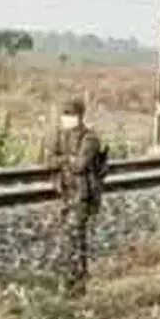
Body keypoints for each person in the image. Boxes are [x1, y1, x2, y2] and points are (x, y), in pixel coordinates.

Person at [44, 97, 107, 296]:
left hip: (83, 194)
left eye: (71, 114)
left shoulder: (90, 138)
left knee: (74, 236)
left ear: (80, 116)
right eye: (65, 114)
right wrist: (67, 159)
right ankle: (77, 279)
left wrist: (63, 160)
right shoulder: (58, 136)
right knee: (71, 237)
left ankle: (75, 281)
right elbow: (48, 162)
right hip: (66, 193)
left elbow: (81, 165)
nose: (67, 118)